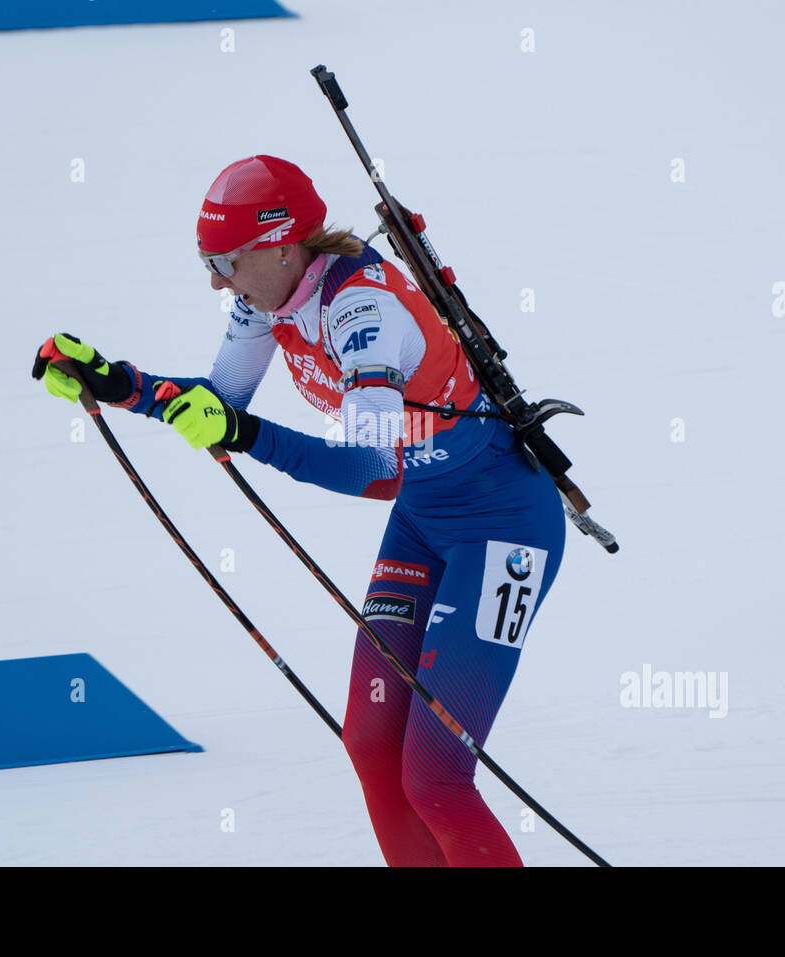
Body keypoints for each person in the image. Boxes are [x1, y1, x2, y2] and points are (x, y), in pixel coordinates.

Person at [32, 155, 566, 866]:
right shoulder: (267, 299)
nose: (216, 279)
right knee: (373, 746)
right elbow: (221, 402)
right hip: (424, 519)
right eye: (204, 260)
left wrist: (246, 438)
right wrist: (118, 382)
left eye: (224, 260)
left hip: (505, 530)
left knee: (436, 776)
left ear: (283, 245)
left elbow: (372, 466)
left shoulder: (363, 314)